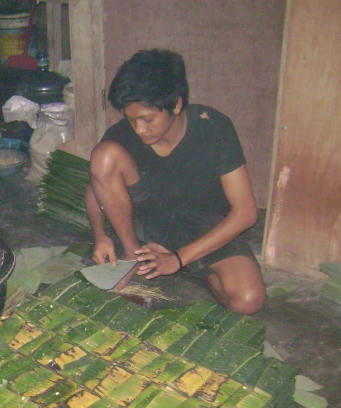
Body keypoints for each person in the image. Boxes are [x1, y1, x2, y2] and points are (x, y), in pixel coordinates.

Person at [85, 49, 265, 315]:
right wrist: (100, 235)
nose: (139, 129)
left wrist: (179, 258)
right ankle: (133, 254)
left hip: (203, 225)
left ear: (177, 105)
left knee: (247, 300)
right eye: (130, 119)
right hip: (148, 222)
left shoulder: (213, 128)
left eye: (147, 119)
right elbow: (94, 189)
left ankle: (195, 266)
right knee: (103, 155)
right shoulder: (122, 135)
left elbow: (246, 212)